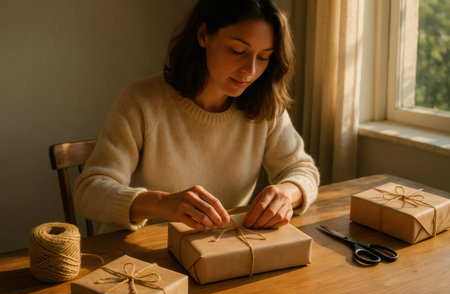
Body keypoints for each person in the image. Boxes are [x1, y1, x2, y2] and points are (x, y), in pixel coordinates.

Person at [75, 0, 320, 234]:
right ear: (203, 35)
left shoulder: (263, 104)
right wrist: (161, 203)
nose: (251, 70)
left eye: (264, 56)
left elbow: (303, 169)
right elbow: (89, 191)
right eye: (238, 50)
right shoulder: (141, 100)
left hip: (219, 253)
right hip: (142, 257)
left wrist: (288, 192)